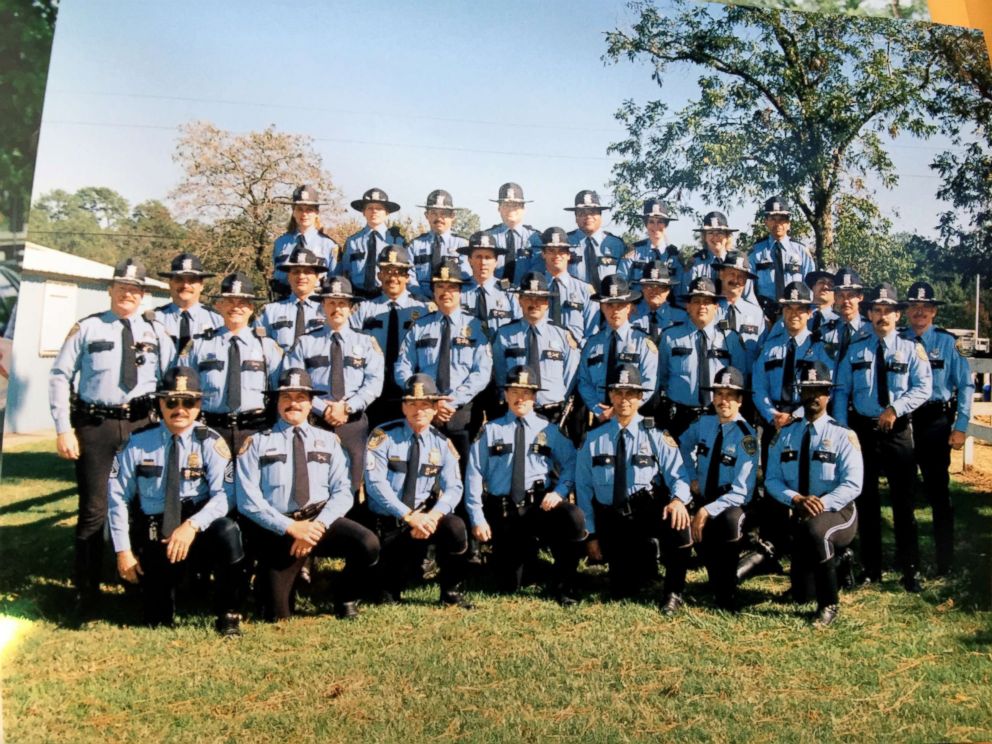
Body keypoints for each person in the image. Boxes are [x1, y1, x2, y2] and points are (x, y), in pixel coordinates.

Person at [49, 257, 175, 614]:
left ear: (143, 295)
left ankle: (137, 584)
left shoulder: (156, 332)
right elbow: (60, 376)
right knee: (94, 509)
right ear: (111, 290)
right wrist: (63, 429)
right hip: (97, 426)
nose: (128, 295)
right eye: (123, 288)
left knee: (141, 506)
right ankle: (85, 592)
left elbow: (170, 381)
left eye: (135, 290)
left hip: (142, 427)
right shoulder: (88, 328)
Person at [107, 367, 245, 634]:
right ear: (160, 403)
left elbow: (225, 494)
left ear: (199, 405)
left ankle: (228, 613)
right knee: (156, 620)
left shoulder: (210, 442)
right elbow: (117, 498)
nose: (179, 409)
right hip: (156, 529)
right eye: (171, 402)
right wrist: (123, 551)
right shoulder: (136, 443)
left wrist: (191, 526)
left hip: (198, 526)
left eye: (188, 402)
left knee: (228, 531)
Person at [236, 368, 380, 620]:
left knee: (367, 544)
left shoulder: (328, 441)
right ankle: (266, 586)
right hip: (279, 528)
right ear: (277, 402)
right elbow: (248, 501)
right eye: (286, 398)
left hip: (319, 521)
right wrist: (291, 527)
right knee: (277, 615)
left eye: (300, 398)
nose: (293, 404)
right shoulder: (256, 442)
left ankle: (344, 597)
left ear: (311, 403)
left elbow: (343, 492)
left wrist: (317, 526)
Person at [835, 283, 932, 591]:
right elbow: (841, 391)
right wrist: (841, 429)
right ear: (870, 314)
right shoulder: (856, 349)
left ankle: (910, 569)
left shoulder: (911, 348)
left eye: (887, 311)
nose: (882, 316)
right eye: (876, 311)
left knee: (903, 503)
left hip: (897, 431)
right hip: (863, 431)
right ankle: (871, 568)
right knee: (867, 501)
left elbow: (923, 387)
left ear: (897, 314)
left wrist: (895, 408)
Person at [465, 365, 586, 604]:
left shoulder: (549, 431)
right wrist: (477, 517)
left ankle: (565, 584)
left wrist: (560, 492)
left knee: (572, 516)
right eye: (514, 392)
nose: (520, 398)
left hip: (538, 508)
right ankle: (528, 563)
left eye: (527, 392)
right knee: (509, 584)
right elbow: (474, 474)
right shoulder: (490, 431)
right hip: (504, 512)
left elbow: (573, 463)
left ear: (534, 396)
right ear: (505, 394)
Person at [575, 364, 693, 607]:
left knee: (678, 522)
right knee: (622, 590)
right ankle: (644, 558)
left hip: (646, 513)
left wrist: (678, 500)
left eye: (630, 393)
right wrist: (591, 535)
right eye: (618, 392)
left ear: (641, 397)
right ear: (610, 396)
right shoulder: (593, 439)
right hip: (613, 522)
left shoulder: (657, 435)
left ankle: (674, 592)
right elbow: (584, 490)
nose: (623, 399)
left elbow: (679, 476)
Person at [742, 281, 831, 581]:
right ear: (782, 311)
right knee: (774, 483)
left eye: (801, 308)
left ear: (809, 312)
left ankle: (807, 548)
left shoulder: (818, 349)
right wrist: (771, 415)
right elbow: (758, 387)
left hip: (804, 422)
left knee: (807, 481)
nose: (794, 313)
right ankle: (772, 548)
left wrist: (794, 415)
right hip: (774, 424)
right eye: (789, 308)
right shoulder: (771, 347)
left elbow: (823, 388)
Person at [765, 362, 863, 627]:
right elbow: (771, 478)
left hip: (837, 512)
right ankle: (840, 562)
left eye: (818, 390)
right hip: (798, 509)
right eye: (807, 391)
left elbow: (854, 484)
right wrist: (795, 498)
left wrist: (821, 503)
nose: (812, 397)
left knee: (817, 531)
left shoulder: (844, 435)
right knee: (801, 595)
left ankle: (829, 605)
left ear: (828, 395)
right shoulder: (785, 434)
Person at [364, 374, 472, 607]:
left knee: (455, 527)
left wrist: (434, 516)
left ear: (435, 409)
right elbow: (374, 484)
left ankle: (451, 592)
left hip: (425, 522)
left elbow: (454, 487)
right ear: (403, 407)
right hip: (391, 522)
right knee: (387, 597)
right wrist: (408, 516)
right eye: (412, 403)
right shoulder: (383, 436)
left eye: (425, 405)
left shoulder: (442, 443)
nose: (418, 410)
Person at [283, 275, 384, 492]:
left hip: (353, 423)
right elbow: (295, 384)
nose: (336, 309)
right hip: (316, 422)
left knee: (354, 483)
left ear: (351, 308)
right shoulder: (305, 343)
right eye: (331, 303)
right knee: (315, 481)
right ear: (322, 306)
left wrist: (347, 407)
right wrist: (323, 408)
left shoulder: (366, 343)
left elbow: (374, 383)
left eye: (342, 303)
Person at [901, 281, 974, 575]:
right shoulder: (897, 340)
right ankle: (907, 558)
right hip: (905, 421)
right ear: (907, 311)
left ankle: (945, 560)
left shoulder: (946, 342)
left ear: (933, 311)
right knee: (903, 490)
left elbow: (966, 384)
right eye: (914, 307)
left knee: (937, 491)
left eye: (925, 307)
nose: (920, 312)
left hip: (935, 421)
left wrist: (962, 425)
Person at [395, 257, 493, 470]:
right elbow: (403, 366)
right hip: (424, 413)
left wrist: (451, 402)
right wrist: (425, 399)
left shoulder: (476, 327)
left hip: (462, 412)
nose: (445, 292)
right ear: (433, 290)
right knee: (423, 469)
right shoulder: (419, 327)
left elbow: (481, 372)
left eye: (451, 287)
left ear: (460, 291)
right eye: (440, 286)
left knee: (465, 471)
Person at [676, 367, 758, 611]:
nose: (723, 401)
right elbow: (680, 445)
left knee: (729, 522)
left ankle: (729, 594)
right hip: (705, 494)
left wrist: (705, 511)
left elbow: (743, 491)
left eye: (730, 395)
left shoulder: (747, 437)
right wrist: (691, 477)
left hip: (732, 502)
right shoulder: (704, 424)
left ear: (740, 401)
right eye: (719, 394)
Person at [179, 272, 283, 455]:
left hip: (255, 430)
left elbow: (279, 394)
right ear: (219, 305)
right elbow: (183, 392)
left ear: (251, 308)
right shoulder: (199, 345)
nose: (236, 308)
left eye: (242, 303)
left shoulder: (267, 347)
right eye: (230, 301)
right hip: (210, 430)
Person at [350, 246, 431, 428]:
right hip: (373, 387)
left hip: (411, 389)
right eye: (387, 271)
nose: (393, 278)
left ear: (407, 277)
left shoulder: (424, 309)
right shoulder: (364, 309)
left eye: (399, 272)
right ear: (379, 275)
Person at [656, 277, 746, 437]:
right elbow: (661, 377)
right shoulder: (670, 337)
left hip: (717, 415)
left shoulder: (730, 338)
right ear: (688, 306)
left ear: (716, 306)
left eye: (707, 302)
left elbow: (741, 378)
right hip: (679, 416)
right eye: (696, 301)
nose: (702, 306)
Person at [493, 272, 580, 426]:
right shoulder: (504, 334)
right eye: (528, 298)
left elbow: (570, 375)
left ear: (547, 303)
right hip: (516, 411)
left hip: (554, 414)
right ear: (520, 300)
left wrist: (559, 399)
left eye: (539, 298)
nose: (534, 303)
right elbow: (500, 374)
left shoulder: (563, 335)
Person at [577, 275, 658, 429]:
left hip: (632, 417)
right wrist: (596, 408)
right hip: (599, 417)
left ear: (629, 307)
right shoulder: (592, 344)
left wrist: (619, 409)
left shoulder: (643, 342)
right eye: (609, 305)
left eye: (619, 305)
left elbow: (649, 382)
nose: (615, 311)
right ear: (601, 307)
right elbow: (584, 381)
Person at [748, 195, 814, 316]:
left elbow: (811, 287)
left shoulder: (801, 252)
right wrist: (758, 316)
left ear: (788, 223)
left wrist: (807, 314)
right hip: (764, 315)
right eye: (773, 218)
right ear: (766, 222)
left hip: (796, 313)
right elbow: (748, 290)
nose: (777, 223)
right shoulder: (755, 253)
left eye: (782, 219)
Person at [270, 185, 339, 299]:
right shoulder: (280, 243)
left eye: (309, 210)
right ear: (293, 212)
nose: (304, 214)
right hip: (285, 299)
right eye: (300, 209)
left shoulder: (329, 245)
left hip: (316, 300)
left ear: (316, 213)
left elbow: (334, 279)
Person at [536, 226, 600, 345]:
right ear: (543, 254)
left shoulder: (585, 290)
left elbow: (593, 332)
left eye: (561, 251)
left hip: (576, 353)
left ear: (569, 255)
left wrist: (579, 348)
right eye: (551, 251)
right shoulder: (533, 289)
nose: (557, 255)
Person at [339, 187, 405, 299]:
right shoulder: (353, 242)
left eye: (379, 208)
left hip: (386, 296)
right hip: (358, 296)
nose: (374, 211)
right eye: (370, 208)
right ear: (363, 212)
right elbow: (345, 272)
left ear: (387, 212)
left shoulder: (397, 241)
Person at [257, 246, 327, 351]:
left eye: (307, 272)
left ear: (317, 277)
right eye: (296, 271)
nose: (301, 276)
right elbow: (258, 346)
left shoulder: (329, 309)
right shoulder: (269, 311)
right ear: (288, 277)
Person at [407, 189, 469, 300]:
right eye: (433, 213)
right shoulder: (415, 246)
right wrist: (424, 300)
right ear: (426, 215)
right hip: (421, 303)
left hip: (452, 302)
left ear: (453, 216)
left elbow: (467, 277)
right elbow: (409, 278)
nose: (438, 218)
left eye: (443, 214)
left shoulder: (463, 245)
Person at [458, 231, 520, 341]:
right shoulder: (458, 291)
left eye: (488, 257)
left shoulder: (509, 292)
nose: (483, 262)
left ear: (496, 261)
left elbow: (518, 327)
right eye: (478, 257)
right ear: (469, 260)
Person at [153, 253, 223, 350]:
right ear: (170, 284)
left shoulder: (217, 321)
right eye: (179, 279)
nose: (185, 285)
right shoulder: (154, 320)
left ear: (202, 285)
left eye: (192, 280)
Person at [618, 198, 686, 296]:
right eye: (651, 222)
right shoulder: (633, 252)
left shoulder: (675, 256)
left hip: (666, 308)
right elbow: (621, 284)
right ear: (645, 224)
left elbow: (680, 291)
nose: (655, 226)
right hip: (638, 308)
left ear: (666, 224)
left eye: (660, 222)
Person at [564, 190, 628, 293]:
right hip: (576, 302)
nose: (588, 216)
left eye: (592, 212)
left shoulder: (616, 244)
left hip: (610, 302)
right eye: (582, 213)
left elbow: (624, 277)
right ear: (576, 218)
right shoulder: (565, 243)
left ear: (600, 216)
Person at [484, 182, 543, 285]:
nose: (511, 209)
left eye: (515, 205)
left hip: (525, 295)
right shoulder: (488, 237)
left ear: (524, 208)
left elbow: (538, 269)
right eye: (506, 204)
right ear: (499, 208)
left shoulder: (535, 238)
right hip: (493, 293)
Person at [715, 251, 765, 370]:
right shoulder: (709, 310)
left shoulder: (757, 314)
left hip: (747, 382)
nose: (736, 280)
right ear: (721, 274)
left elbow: (761, 353)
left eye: (741, 276)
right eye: (732, 274)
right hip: (715, 383)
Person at [817, 267, 870, 365]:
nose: (846, 301)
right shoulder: (825, 332)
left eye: (850, 295)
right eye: (841, 296)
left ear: (860, 297)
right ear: (835, 298)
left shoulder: (871, 331)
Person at [629, 261, 688, 343]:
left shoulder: (682, 317)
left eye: (660, 286)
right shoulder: (629, 314)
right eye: (649, 285)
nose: (654, 291)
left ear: (668, 290)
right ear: (642, 288)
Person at [686, 211, 739, 284]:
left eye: (720, 232)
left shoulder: (737, 262)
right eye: (710, 233)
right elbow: (687, 291)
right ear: (704, 237)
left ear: (727, 236)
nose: (715, 237)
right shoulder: (695, 262)